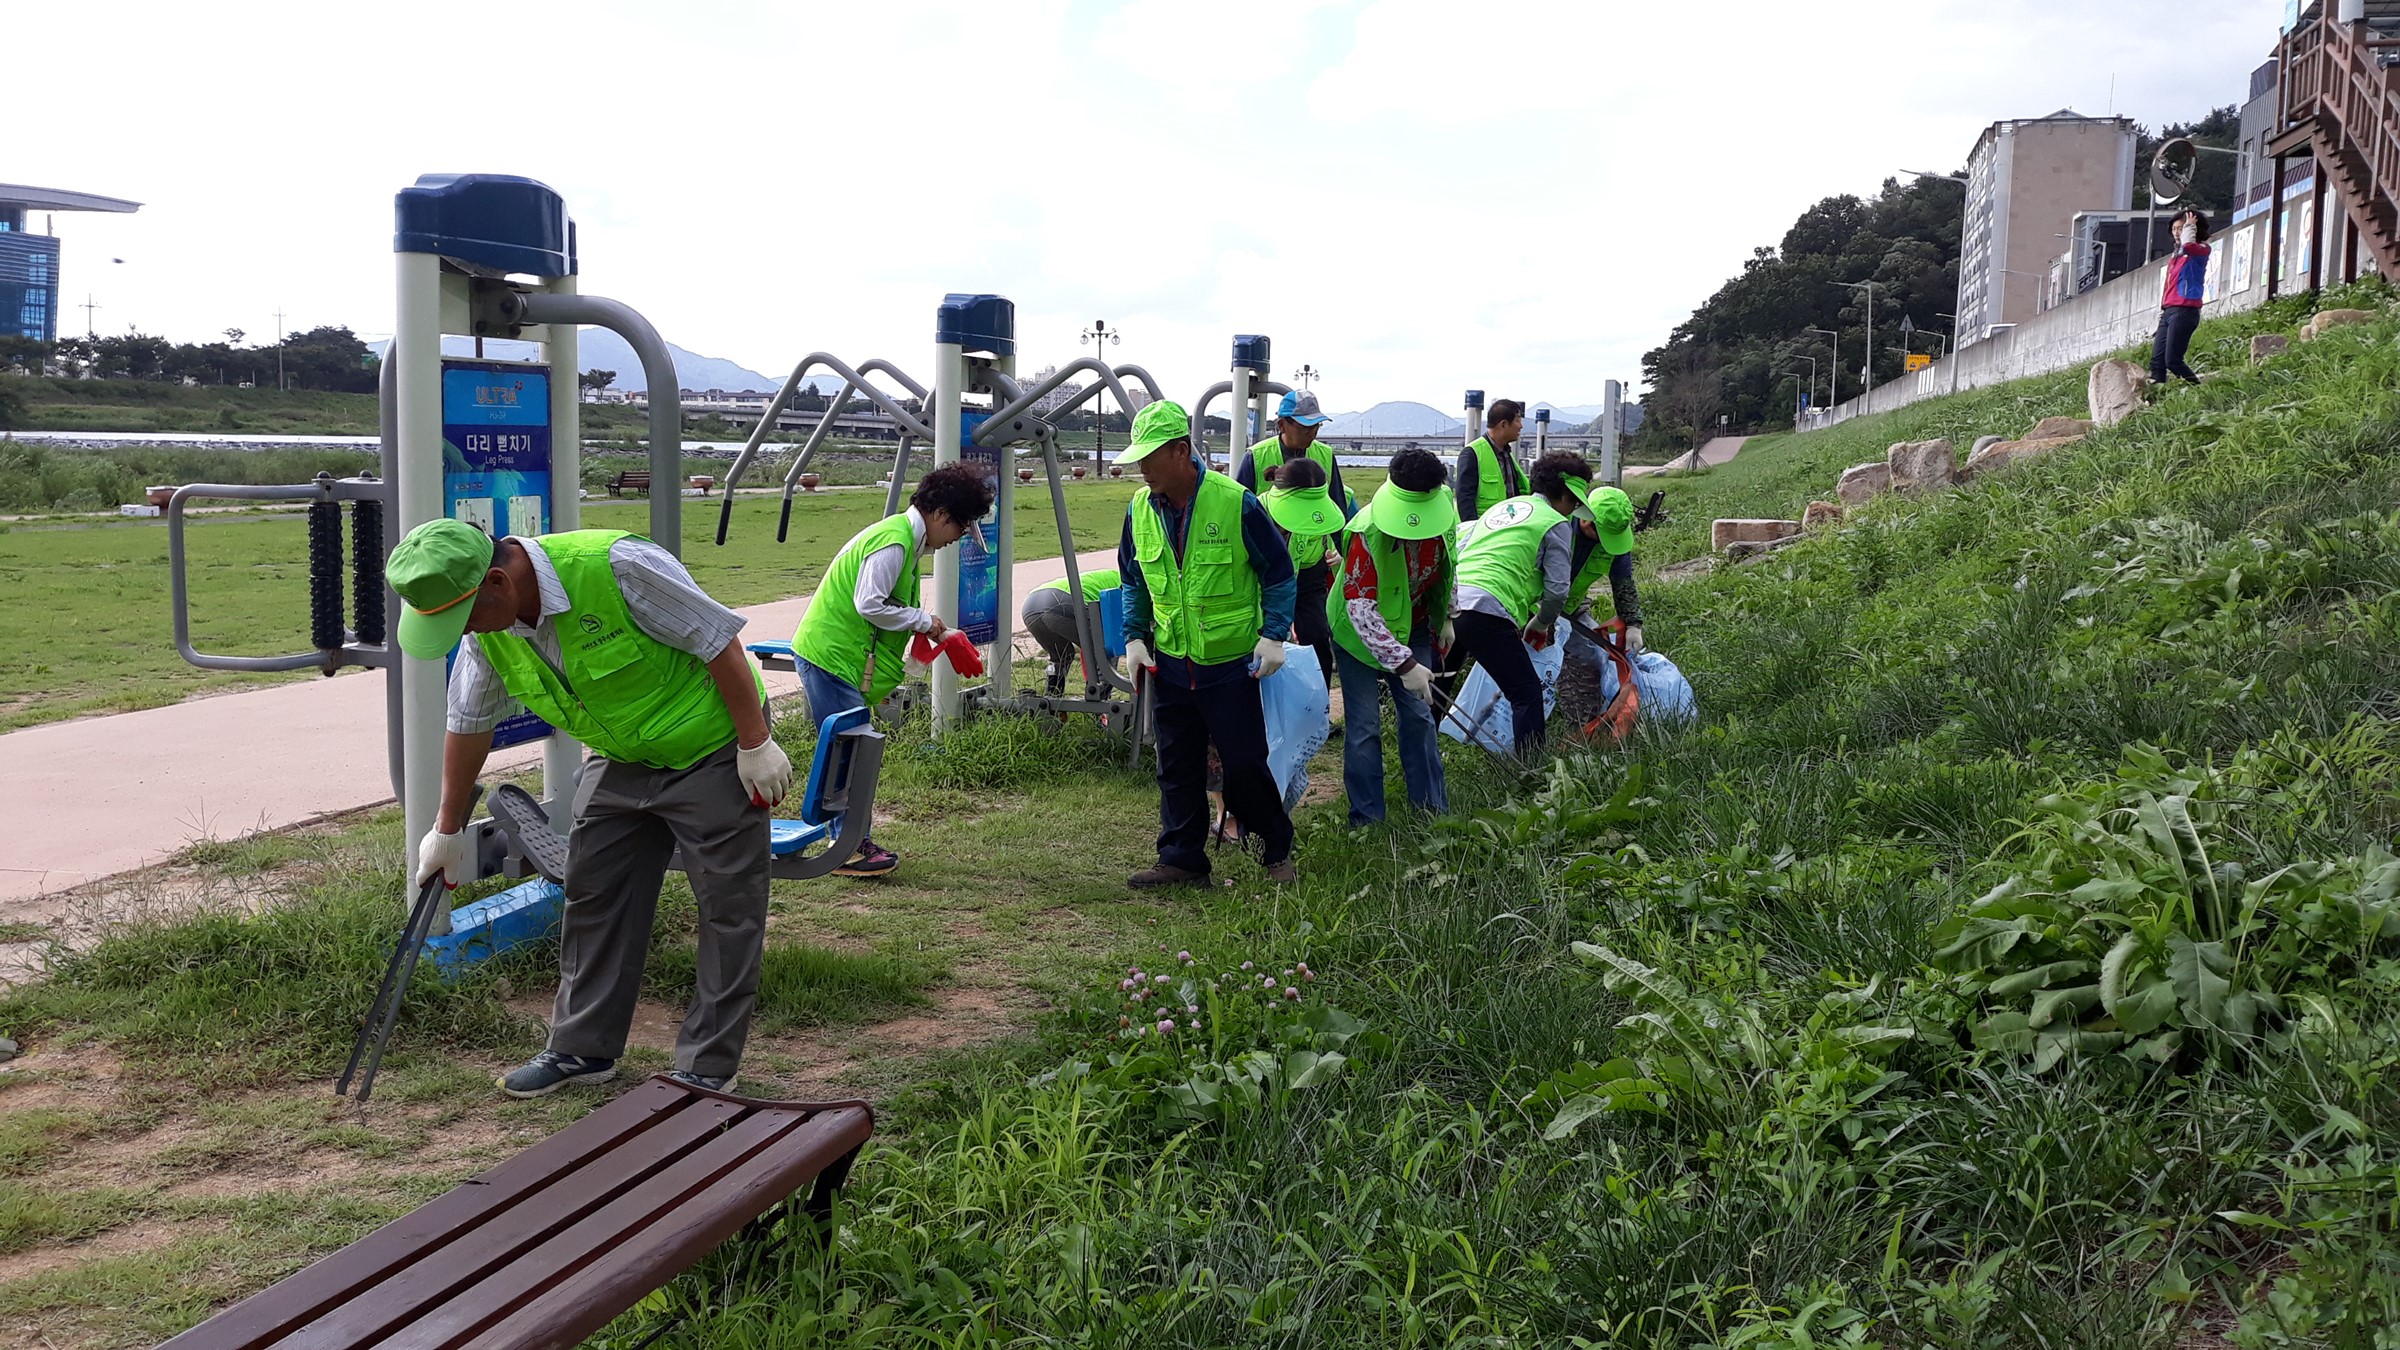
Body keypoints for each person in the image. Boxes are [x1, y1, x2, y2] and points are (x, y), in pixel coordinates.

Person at [391, 518, 789, 1099]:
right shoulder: (489, 630)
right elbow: (469, 724)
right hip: (620, 756)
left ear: (498, 582)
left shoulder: (618, 566)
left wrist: (753, 743)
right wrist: (446, 829)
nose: (465, 633)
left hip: (711, 748)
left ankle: (707, 1064)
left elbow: (716, 640)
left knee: (729, 905)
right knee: (594, 892)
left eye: (465, 618)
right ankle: (582, 1049)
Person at [1115, 399, 1299, 887]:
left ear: (1181, 451)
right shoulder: (1139, 508)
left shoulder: (1235, 502)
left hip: (1229, 664)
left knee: (1243, 766)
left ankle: (1277, 848)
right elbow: (1133, 579)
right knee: (1176, 764)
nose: (1142, 467)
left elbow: (1279, 574)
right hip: (1171, 659)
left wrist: (1273, 635)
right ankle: (1182, 858)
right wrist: (1134, 638)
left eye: (1150, 456)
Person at [791, 463, 995, 875]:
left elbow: (885, 609)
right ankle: (846, 846)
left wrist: (932, 631)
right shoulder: (895, 542)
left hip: (840, 659)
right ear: (940, 516)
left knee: (851, 748)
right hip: (829, 657)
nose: (956, 539)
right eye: (960, 527)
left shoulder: (903, 539)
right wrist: (928, 624)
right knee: (845, 751)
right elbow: (870, 603)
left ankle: (849, 840)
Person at [1329, 446, 1458, 826]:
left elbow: (1452, 561)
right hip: (1356, 635)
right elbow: (1361, 609)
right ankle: (1366, 820)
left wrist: (1448, 615)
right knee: (1365, 725)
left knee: (1420, 714)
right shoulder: (1367, 531)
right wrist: (1403, 663)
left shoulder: (1445, 510)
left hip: (1414, 623)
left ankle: (1432, 811)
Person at [1446, 449, 1600, 756]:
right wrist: (1541, 622)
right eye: (1574, 503)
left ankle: (1421, 758)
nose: (1572, 512)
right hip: (1488, 607)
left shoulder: (1504, 507)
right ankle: (1532, 772)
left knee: (1440, 682)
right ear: (1566, 497)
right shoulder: (1553, 522)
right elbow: (1558, 590)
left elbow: (1462, 543)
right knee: (1526, 692)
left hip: (1454, 601)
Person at [1258, 456, 1346, 683]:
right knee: (1265, 640)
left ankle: (1319, 707)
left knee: (1317, 636)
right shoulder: (1257, 509)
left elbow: (1346, 532)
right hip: (1262, 585)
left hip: (1309, 578)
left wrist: (1341, 552)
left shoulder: (1328, 506)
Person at [1235, 388, 1349, 508]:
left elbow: (1338, 506)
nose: (1312, 433)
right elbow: (1240, 507)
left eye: (1316, 425)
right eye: (1305, 426)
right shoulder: (1255, 456)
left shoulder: (1326, 454)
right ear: (1282, 425)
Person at [1021, 566, 1119, 695]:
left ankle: (1052, 701)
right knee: (1105, 652)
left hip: (1030, 606)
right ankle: (1099, 706)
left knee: (1061, 656)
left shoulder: (1110, 576)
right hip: (1060, 604)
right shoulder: (1128, 583)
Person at [2151, 208, 2211, 387]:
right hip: (2169, 311)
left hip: (2185, 311)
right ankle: (2155, 400)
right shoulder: (2176, 256)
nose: (2177, 233)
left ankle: (2198, 389)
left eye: (2181, 228)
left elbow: (2189, 246)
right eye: (2175, 229)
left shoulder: (2199, 251)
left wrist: (2189, 228)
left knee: (2173, 361)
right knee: (2157, 362)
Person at [1455, 397, 1529, 519]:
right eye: (1517, 420)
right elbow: (1465, 500)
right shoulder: (1472, 453)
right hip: (1484, 531)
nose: (1521, 426)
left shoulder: (1507, 454)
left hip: (1507, 527)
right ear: (1504, 424)